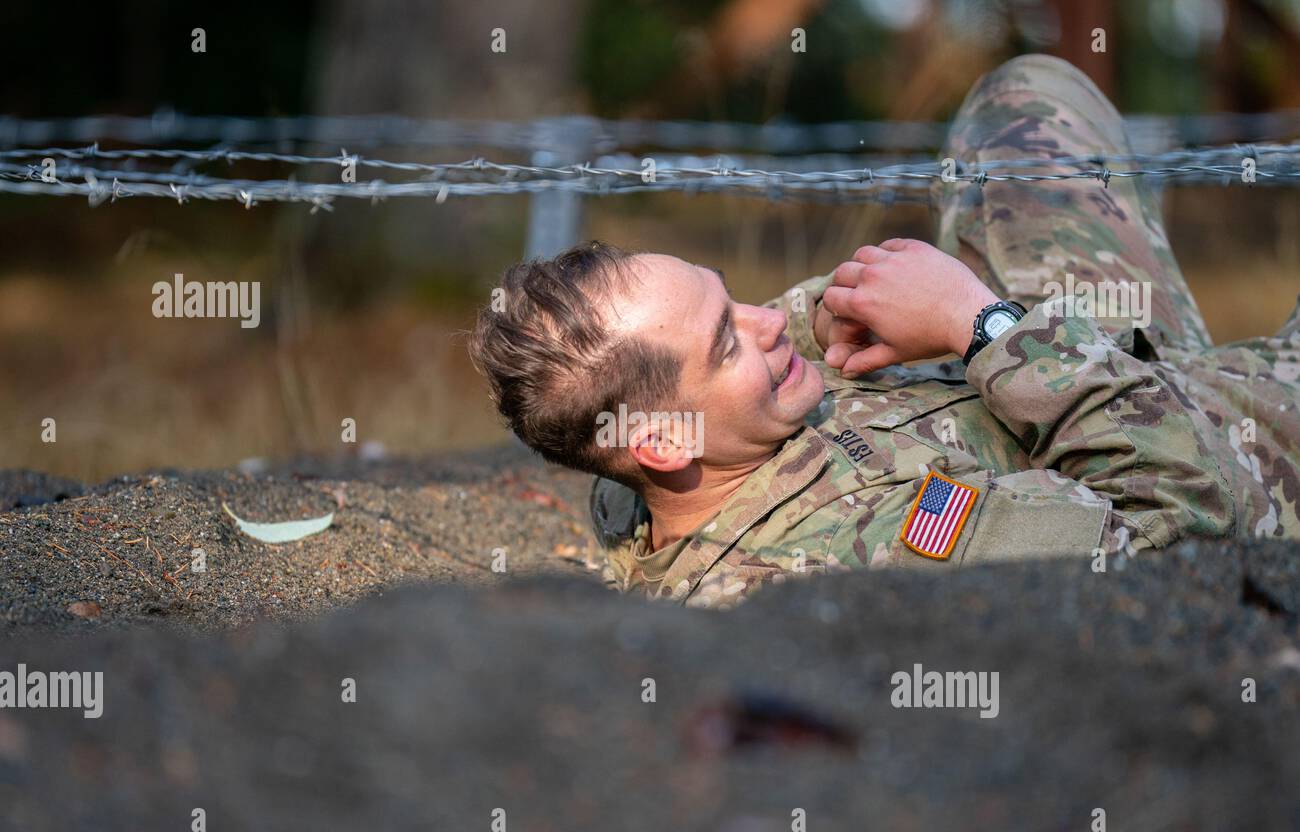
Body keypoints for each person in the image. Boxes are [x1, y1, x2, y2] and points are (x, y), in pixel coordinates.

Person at [469, 55, 1300, 609]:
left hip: (1101, 368)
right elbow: (1185, 517)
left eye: (732, 301)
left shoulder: (648, 464)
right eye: (728, 340)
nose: (768, 321)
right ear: (660, 442)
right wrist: (982, 324)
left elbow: (622, 391)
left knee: (1027, 96)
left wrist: (828, 312)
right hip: (1234, 449)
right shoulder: (870, 555)